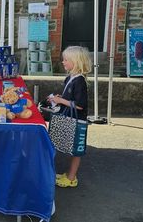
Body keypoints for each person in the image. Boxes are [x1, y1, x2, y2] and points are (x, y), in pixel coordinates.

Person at [47, 46, 91, 188]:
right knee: (71, 147)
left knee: (76, 150)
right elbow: (69, 97)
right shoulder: (70, 77)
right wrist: (60, 97)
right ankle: (69, 175)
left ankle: (71, 178)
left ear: (76, 62)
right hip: (70, 118)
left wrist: (60, 101)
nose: (63, 62)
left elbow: (80, 105)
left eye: (66, 60)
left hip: (77, 120)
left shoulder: (80, 81)